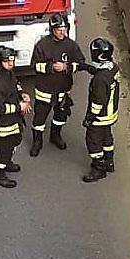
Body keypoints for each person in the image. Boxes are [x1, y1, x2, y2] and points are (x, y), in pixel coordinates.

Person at [28, 13, 86, 157]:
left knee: (60, 117)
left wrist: (67, 67)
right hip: (44, 91)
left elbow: (81, 63)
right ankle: (37, 142)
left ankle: (55, 136)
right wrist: (51, 67)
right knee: (39, 119)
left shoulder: (71, 46)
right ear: (52, 29)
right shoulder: (42, 45)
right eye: (59, 29)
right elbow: (34, 65)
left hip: (62, 91)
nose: (62, 32)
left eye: (64, 28)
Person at [0, 45, 31, 188]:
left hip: (14, 119)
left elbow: (16, 85)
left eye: (12, 61)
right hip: (4, 122)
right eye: (7, 61)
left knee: (16, 139)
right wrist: (20, 107)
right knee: (5, 147)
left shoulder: (9, 73)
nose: (11, 64)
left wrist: (22, 94)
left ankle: (7, 162)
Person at [81, 37, 120, 183]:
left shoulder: (99, 80)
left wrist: (90, 118)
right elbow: (101, 74)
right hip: (110, 114)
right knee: (106, 138)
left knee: (93, 142)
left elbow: (98, 101)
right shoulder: (113, 68)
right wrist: (86, 67)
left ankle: (99, 169)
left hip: (100, 117)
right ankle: (109, 162)